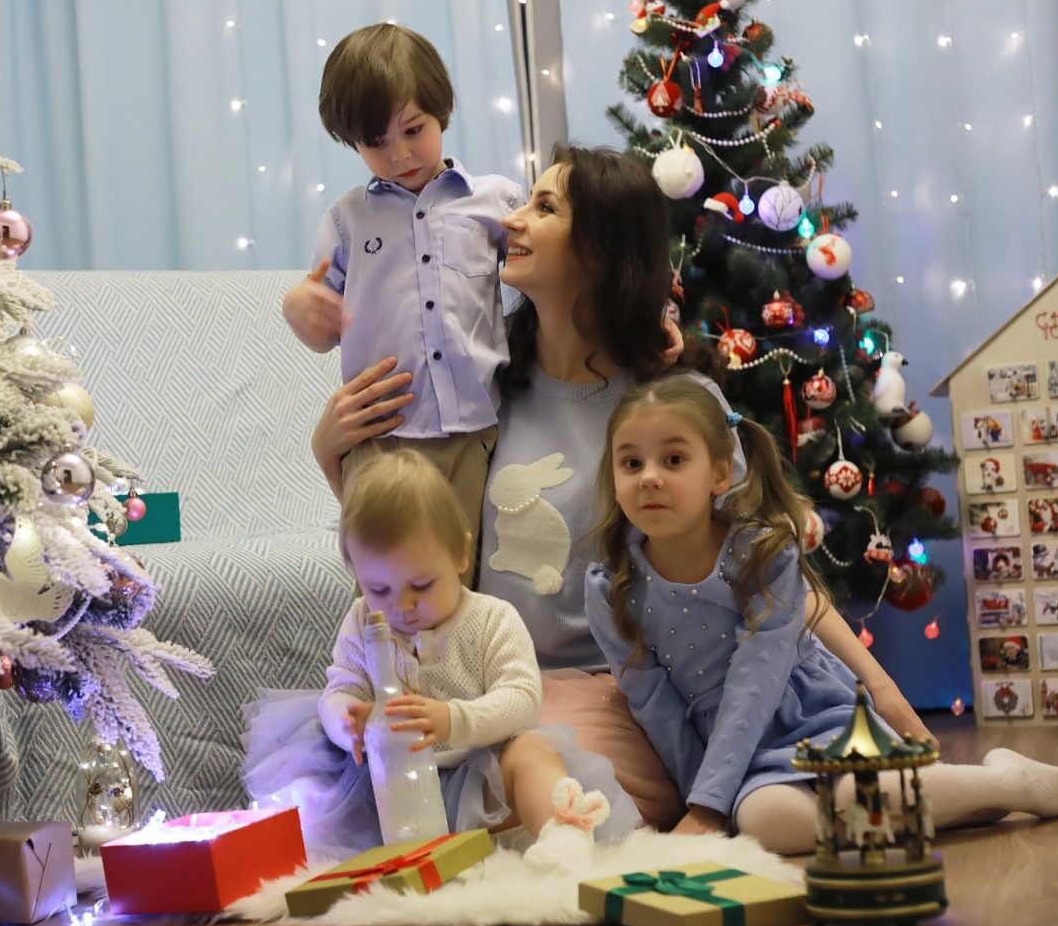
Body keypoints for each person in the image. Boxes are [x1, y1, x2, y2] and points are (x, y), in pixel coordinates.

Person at [311, 143, 937, 829]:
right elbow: (422, 543)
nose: (510, 222)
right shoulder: (481, 397)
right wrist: (329, 449)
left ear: (601, 251)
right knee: (395, 769)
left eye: (543, 207)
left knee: (525, 780)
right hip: (497, 679)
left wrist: (882, 691)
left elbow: (771, 568)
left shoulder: (668, 410)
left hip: (617, 691)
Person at [586, 373, 1058, 853]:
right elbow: (656, 706)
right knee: (768, 823)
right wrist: (705, 804)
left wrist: (710, 806)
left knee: (854, 795)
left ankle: (1009, 784)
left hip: (812, 713)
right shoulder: (610, 587)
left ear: (719, 472)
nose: (649, 477)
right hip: (735, 755)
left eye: (673, 459)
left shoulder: (760, 554)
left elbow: (756, 677)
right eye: (631, 463)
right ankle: (976, 795)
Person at [241, 450, 637, 860]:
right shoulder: (363, 621)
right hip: (389, 784)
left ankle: (562, 835)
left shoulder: (492, 619)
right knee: (313, 775)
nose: (402, 605)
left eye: (422, 584)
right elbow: (342, 686)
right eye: (379, 589)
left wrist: (453, 720)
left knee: (534, 755)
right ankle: (312, 848)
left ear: (461, 555)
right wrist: (349, 722)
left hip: (481, 778)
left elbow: (522, 699)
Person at [282, 23, 522, 574]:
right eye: (376, 143)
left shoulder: (496, 202)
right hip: (380, 438)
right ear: (353, 143)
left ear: (441, 111)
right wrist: (298, 307)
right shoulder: (347, 220)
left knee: (471, 585)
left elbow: (554, 274)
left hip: (478, 434)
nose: (399, 154)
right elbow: (321, 332)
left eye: (413, 129)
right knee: (387, 591)